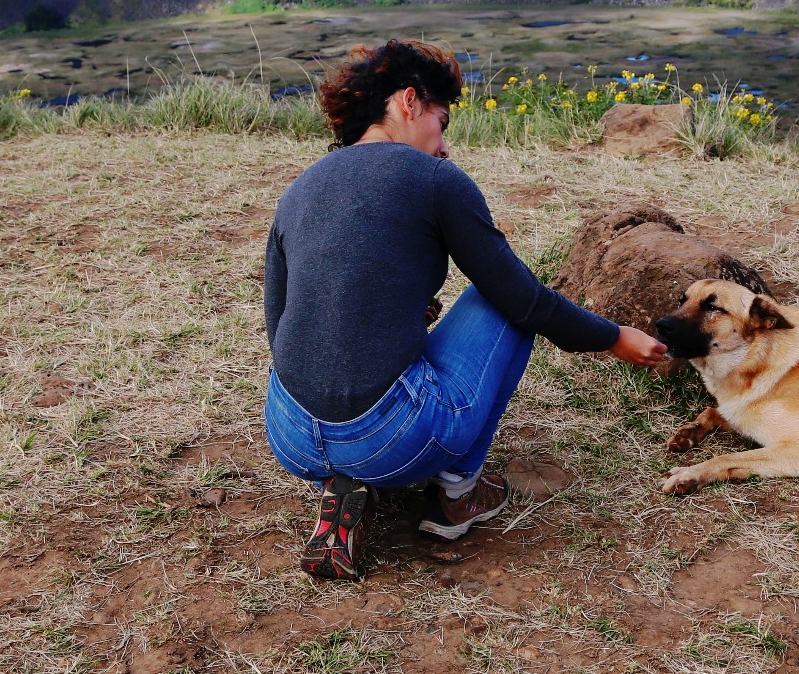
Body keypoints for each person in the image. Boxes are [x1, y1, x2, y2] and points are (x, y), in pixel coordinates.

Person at [262, 39, 669, 579]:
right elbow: (523, 300)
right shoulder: (434, 180)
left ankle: (343, 485)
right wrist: (613, 336)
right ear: (408, 102)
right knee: (498, 302)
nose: (445, 146)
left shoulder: (300, 188)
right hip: (387, 437)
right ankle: (457, 496)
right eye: (442, 121)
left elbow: (280, 320)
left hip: (290, 435)